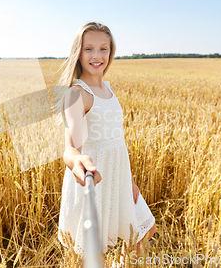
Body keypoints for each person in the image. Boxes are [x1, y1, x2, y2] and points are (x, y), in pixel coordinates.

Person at [55, 22, 156, 265]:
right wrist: (78, 161)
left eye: (104, 48)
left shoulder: (107, 89)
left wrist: (128, 180)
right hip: (94, 179)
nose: (97, 55)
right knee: (91, 254)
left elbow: (116, 141)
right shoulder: (77, 94)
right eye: (89, 48)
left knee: (143, 230)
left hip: (118, 177)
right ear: (78, 53)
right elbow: (70, 149)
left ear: (111, 52)